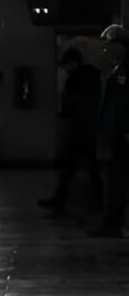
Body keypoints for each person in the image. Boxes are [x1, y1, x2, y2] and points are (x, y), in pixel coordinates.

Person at [39, 48, 102, 213]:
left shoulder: (80, 79)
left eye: (67, 65)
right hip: (83, 129)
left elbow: (78, 105)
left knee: (76, 167)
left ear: (75, 62)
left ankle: (63, 201)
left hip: (82, 129)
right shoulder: (87, 77)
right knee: (83, 167)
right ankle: (99, 202)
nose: (65, 68)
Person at [89, 25, 129, 237]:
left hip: (123, 133)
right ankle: (112, 222)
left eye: (109, 47)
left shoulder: (124, 70)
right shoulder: (116, 70)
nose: (106, 51)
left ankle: (115, 222)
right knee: (114, 181)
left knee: (118, 181)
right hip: (115, 133)